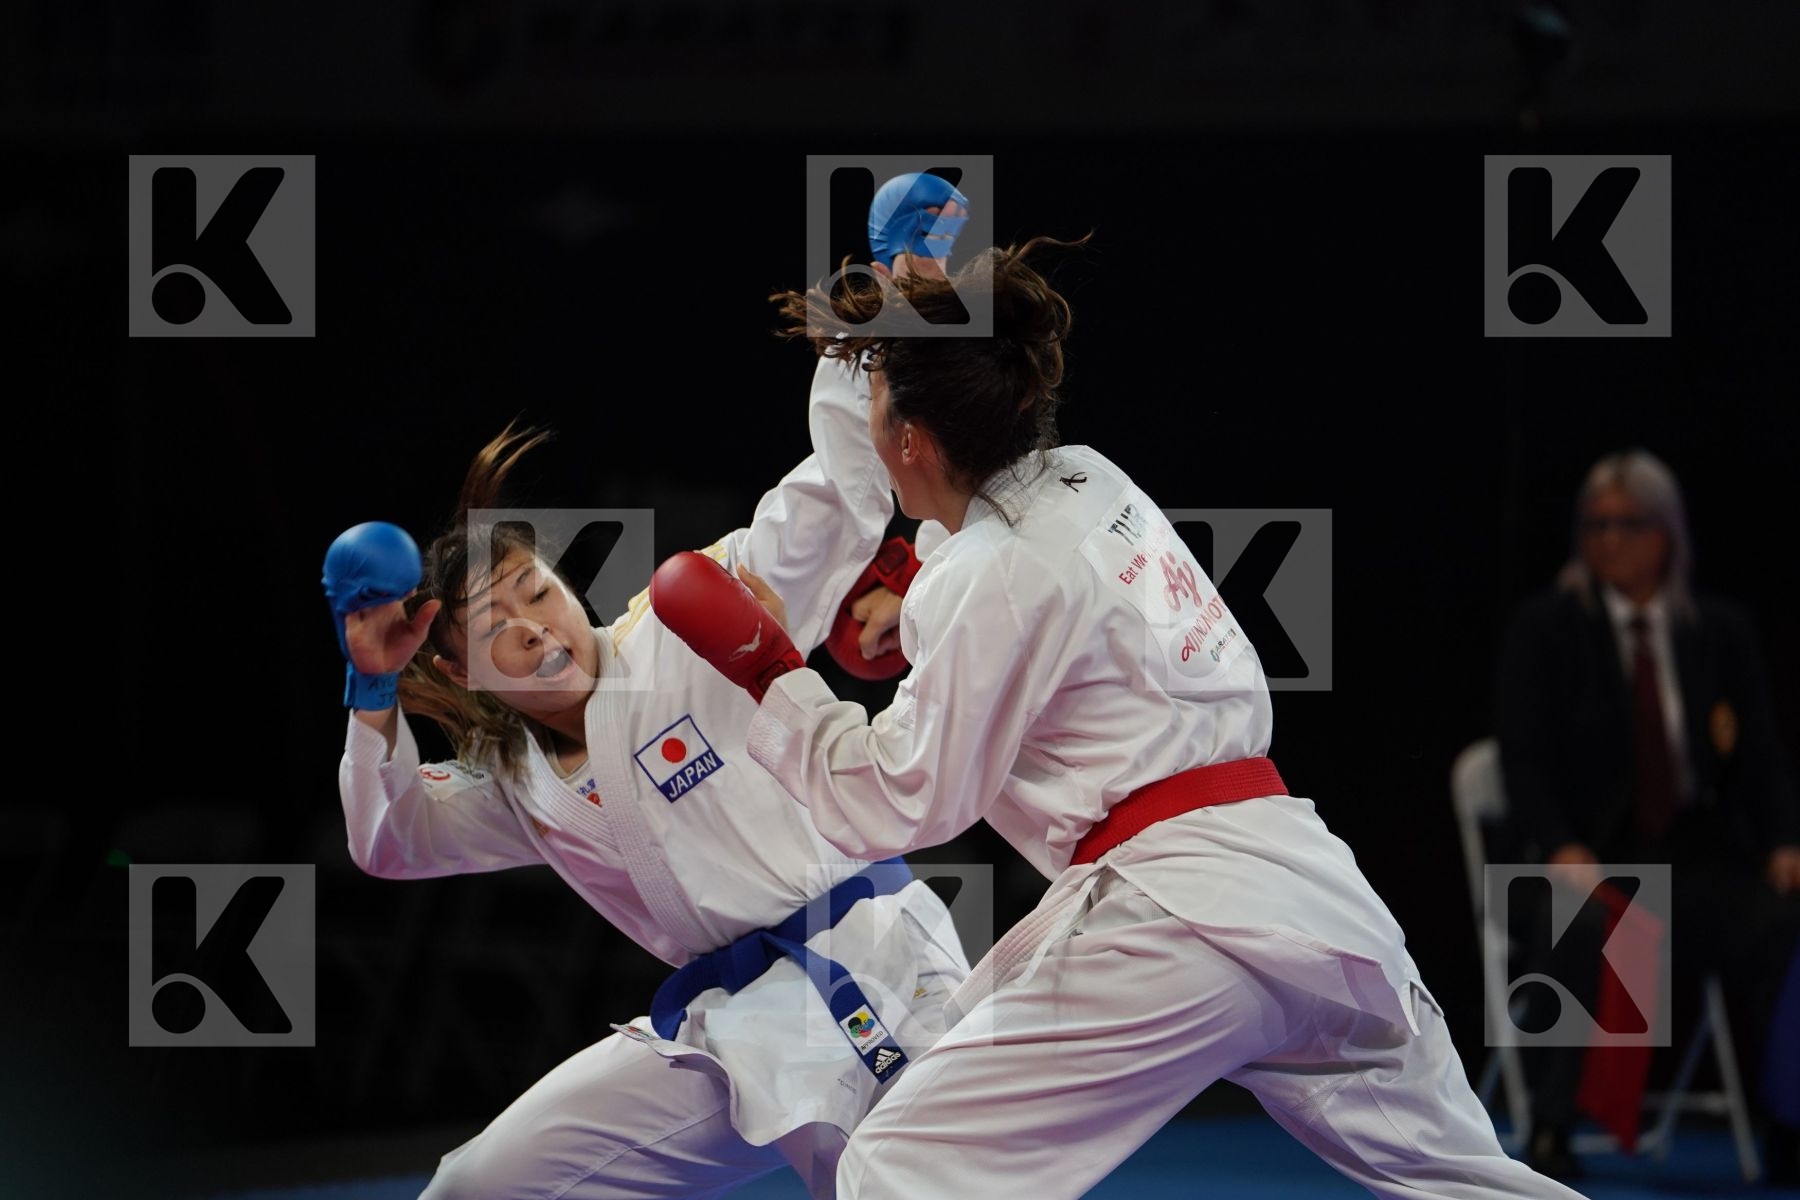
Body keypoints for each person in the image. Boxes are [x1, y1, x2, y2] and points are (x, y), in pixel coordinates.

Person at [653, 238, 1587, 1198]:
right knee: (1475, 1186)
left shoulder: (982, 578)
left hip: (1177, 918)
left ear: (909, 443)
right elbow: (1013, 574)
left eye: (882, 401)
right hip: (1315, 901)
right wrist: (914, 592)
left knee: (902, 1167)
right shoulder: (1090, 478)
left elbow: (901, 799)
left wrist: (772, 674)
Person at [323, 344, 971, 1200]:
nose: (531, 626)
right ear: (459, 672)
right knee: (477, 1187)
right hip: (729, 1025)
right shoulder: (516, 786)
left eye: (537, 590)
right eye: (493, 625)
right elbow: (388, 840)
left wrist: (869, 341)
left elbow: (837, 499)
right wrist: (372, 689)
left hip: (871, 968)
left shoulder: (683, 620)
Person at [1495, 448, 1800, 1182]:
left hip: (1696, 861)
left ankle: (1786, 1121)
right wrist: (1561, 842)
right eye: (1594, 525)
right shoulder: (1546, 627)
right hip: (1586, 859)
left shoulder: (1719, 631)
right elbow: (1522, 757)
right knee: (1583, 920)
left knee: (1783, 919)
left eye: (1627, 525)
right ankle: (1551, 1126)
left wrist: (1786, 839)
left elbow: (1760, 753)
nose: (1607, 541)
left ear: (1666, 534)